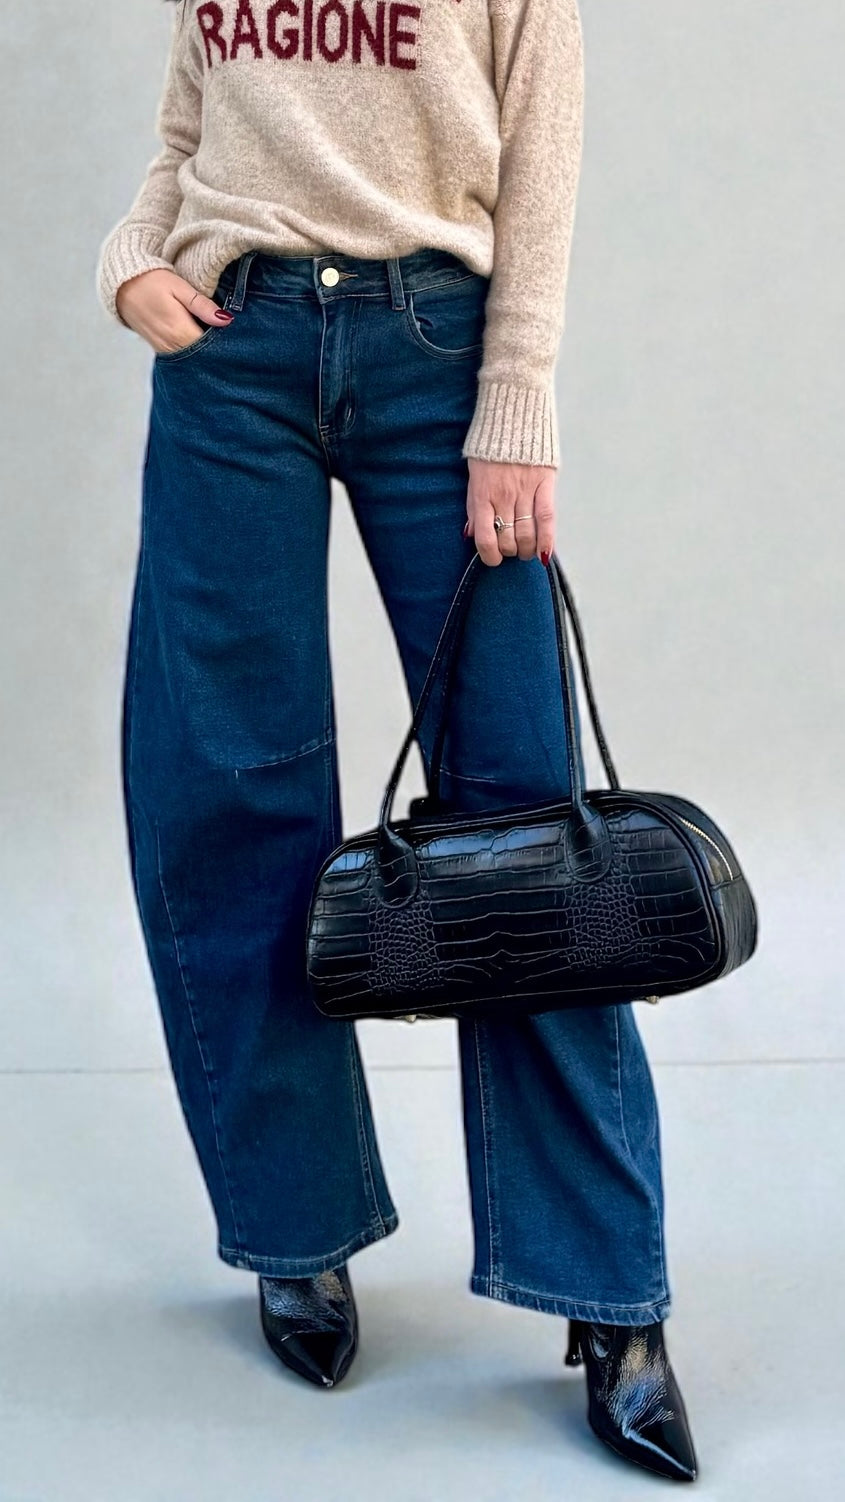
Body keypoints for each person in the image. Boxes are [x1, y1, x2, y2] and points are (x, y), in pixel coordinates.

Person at [95, 0, 697, 1481]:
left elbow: (540, 143)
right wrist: (132, 260)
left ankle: (608, 1292)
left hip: (437, 342)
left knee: (524, 820)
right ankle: (293, 1224)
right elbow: (188, 133)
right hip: (230, 358)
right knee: (227, 800)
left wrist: (516, 400)